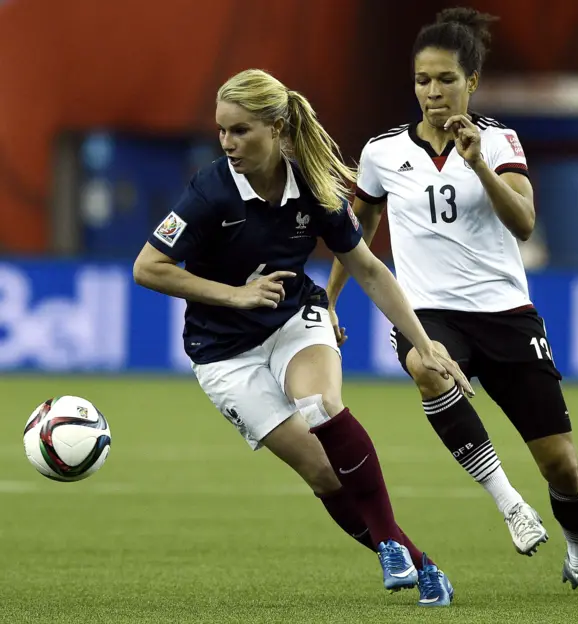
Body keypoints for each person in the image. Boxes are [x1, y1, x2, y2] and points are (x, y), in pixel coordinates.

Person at [133, 68, 473, 607]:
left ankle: (388, 544)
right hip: (222, 353)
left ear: (275, 127)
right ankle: (423, 563)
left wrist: (424, 342)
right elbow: (148, 267)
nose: (227, 143)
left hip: (295, 319)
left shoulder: (313, 187)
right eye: (221, 131)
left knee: (320, 403)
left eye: (240, 131)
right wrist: (235, 294)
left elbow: (369, 270)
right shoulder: (209, 191)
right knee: (321, 473)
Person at [326, 8, 578, 599]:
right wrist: (329, 300)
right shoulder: (383, 153)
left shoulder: (498, 141)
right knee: (425, 365)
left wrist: (478, 165)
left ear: (472, 82)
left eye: (445, 80)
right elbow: (353, 231)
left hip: (507, 315)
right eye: (422, 80)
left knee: (563, 467)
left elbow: (523, 222)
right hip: (429, 311)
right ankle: (509, 503)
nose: (432, 92)